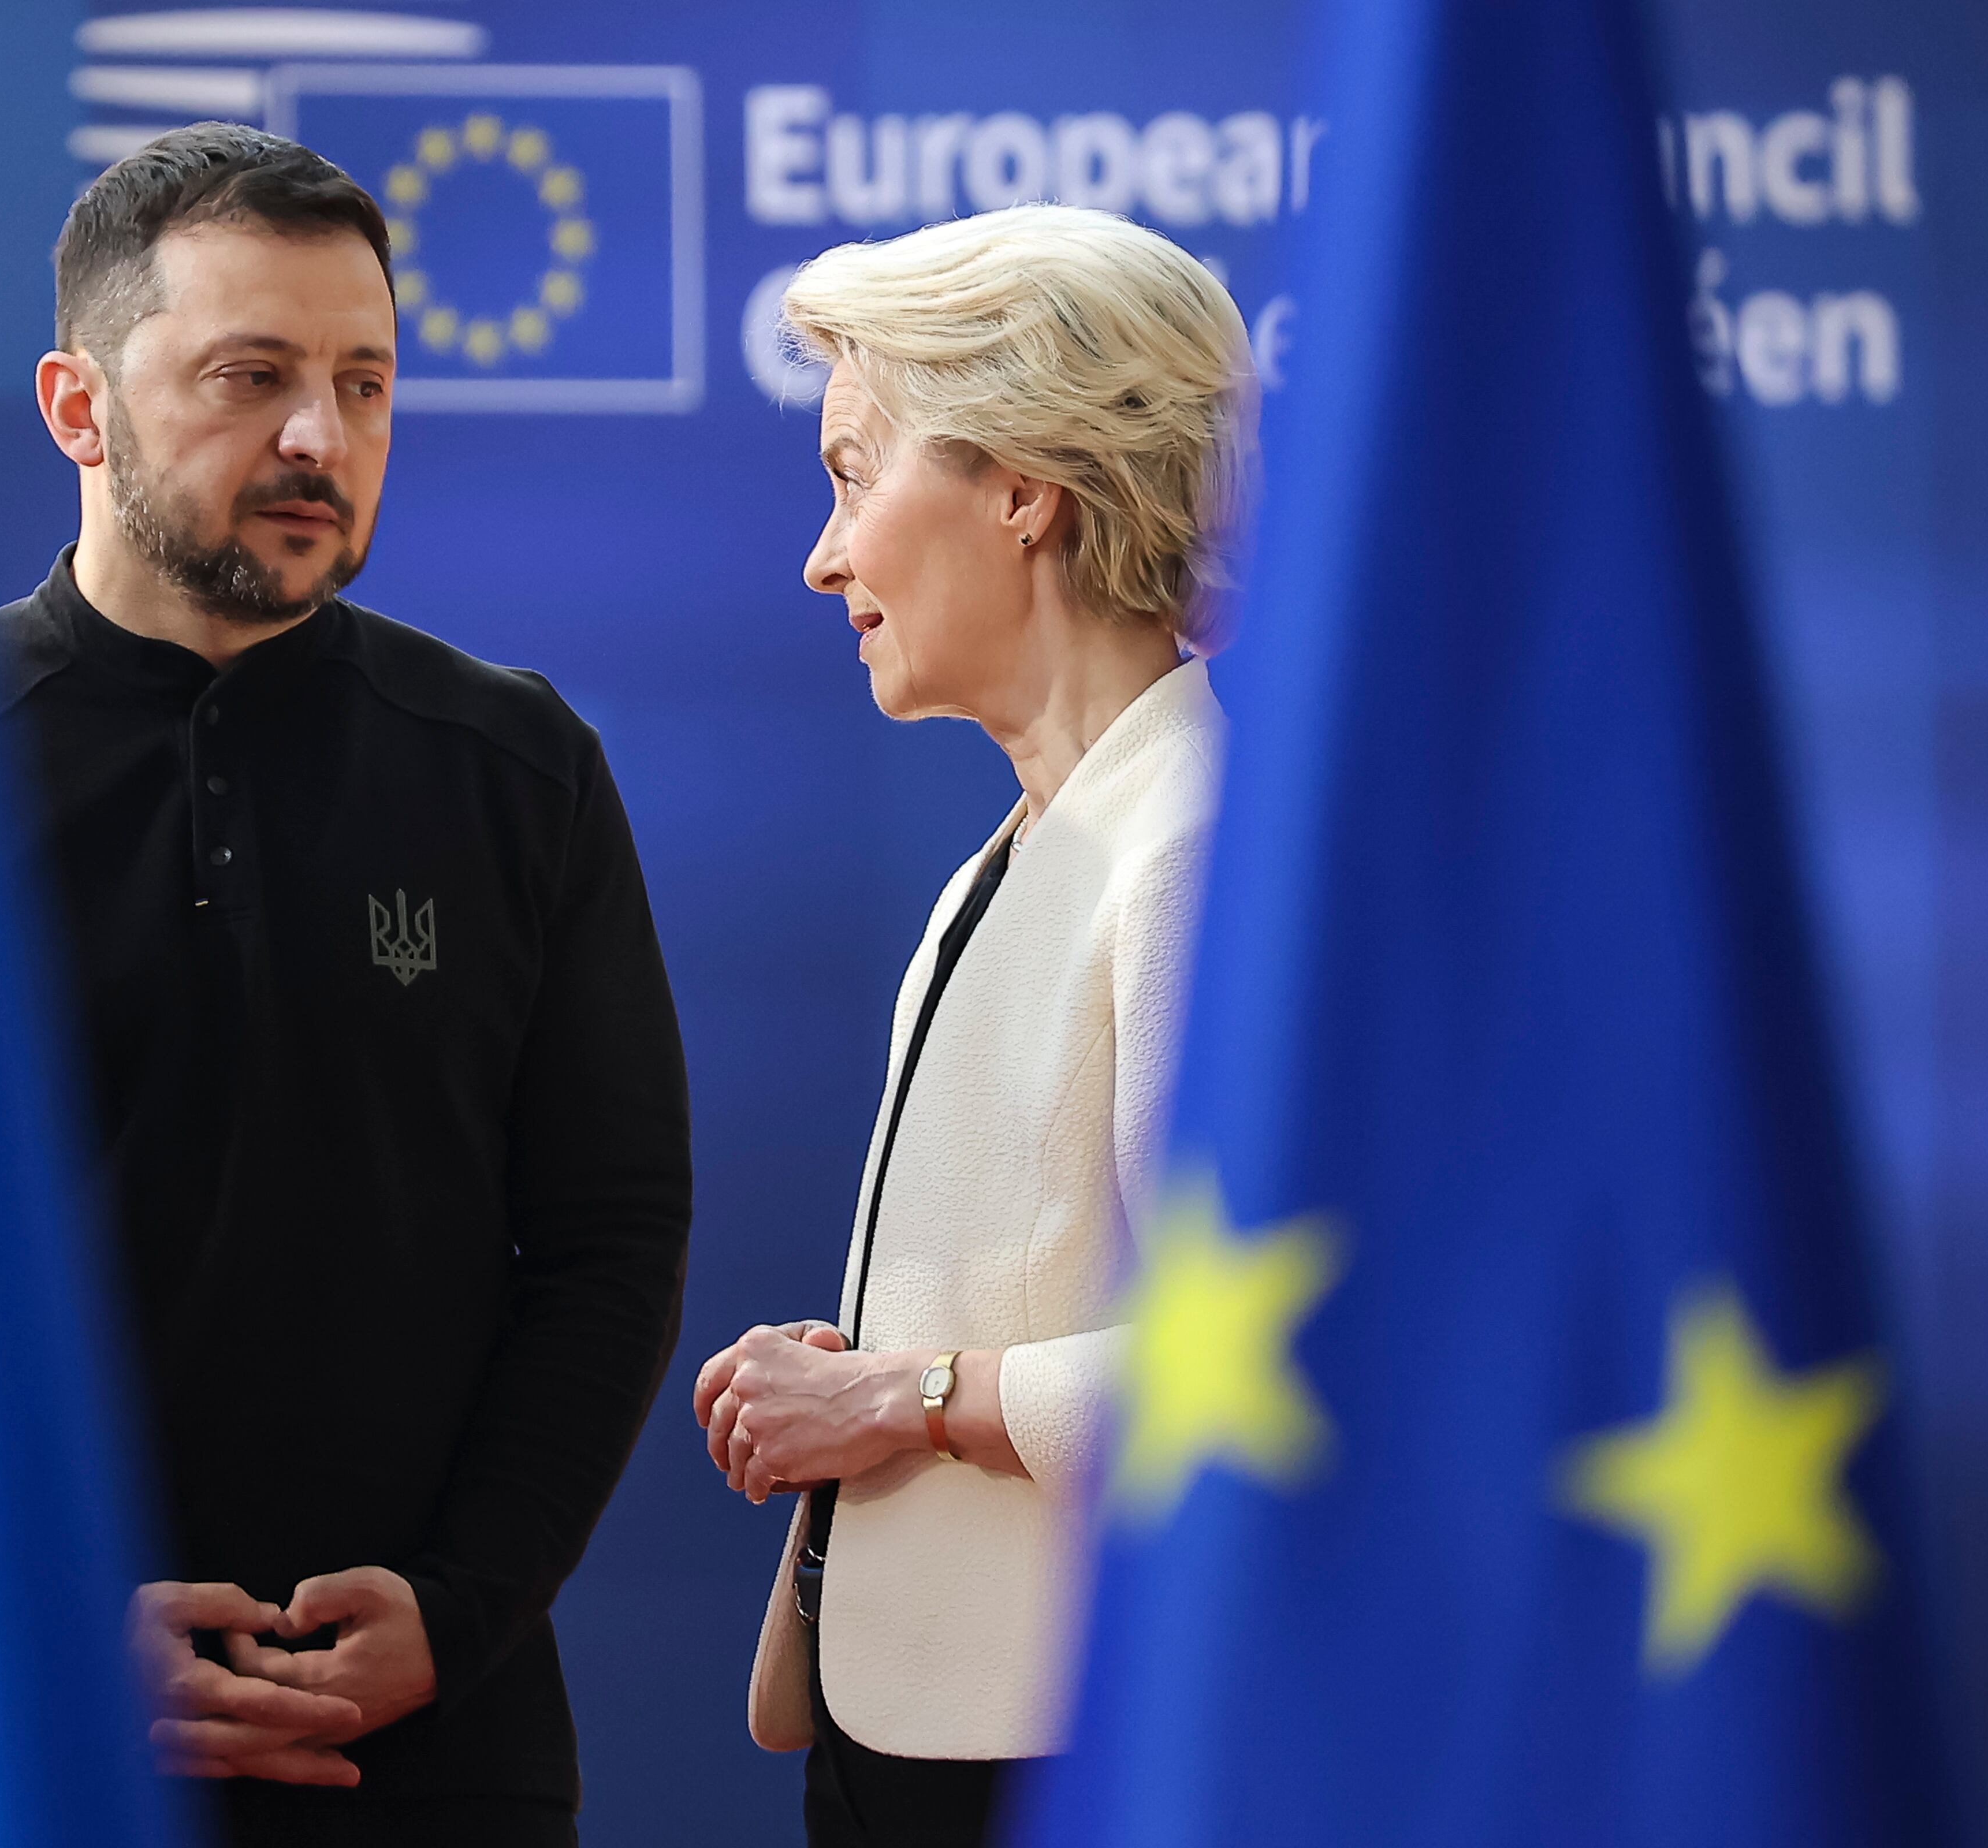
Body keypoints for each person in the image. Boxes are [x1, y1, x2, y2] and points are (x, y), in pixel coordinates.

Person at [0, 123, 692, 1848]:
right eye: (253, 376)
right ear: (77, 407)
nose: (320, 438)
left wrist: (460, 1608)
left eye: (364, 385)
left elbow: (609, 1240)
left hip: (435, 1756)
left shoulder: (517, 765)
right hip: (4, 1737)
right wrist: (40, 1618)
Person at [691, 204, 1251, 1848]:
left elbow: (1271, 1365)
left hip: (1062, 1763)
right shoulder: (1018, 856)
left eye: (854, 475)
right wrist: (882, 1365)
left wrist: (906, 1396)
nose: (824, 557)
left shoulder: (1190, 846)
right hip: (920, 1741)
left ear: (1021, 488)